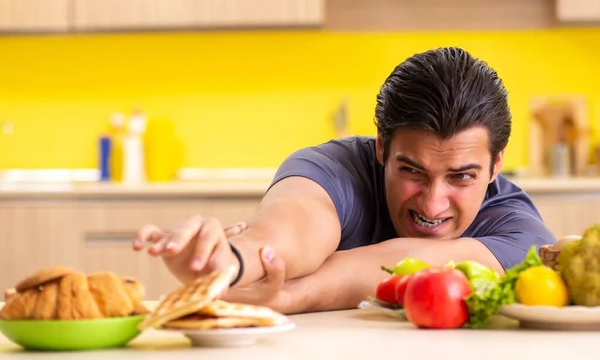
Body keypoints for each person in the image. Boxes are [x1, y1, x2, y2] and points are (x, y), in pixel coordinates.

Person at [132, 47, 556, 314]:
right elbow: (290, 228)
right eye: (412, 171)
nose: (432, 204)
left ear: (496, 165)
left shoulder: (519, 230)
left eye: (461, 177)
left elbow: (386, 267)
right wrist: (229, 261)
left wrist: (288, 295)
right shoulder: (334, 168)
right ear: (381, 149)